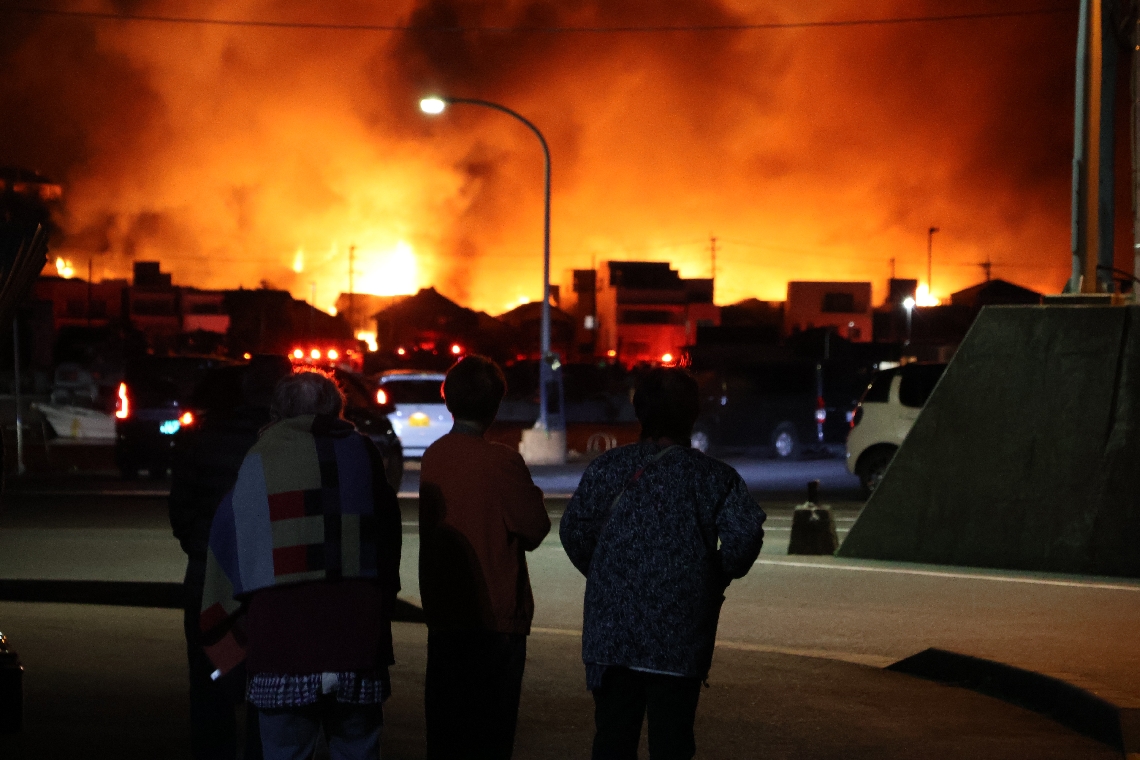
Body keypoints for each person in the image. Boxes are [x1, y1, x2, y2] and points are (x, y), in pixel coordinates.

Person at [559, 368, 767, 760]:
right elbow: (743, 538)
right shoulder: (713, 476)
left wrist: (609, 572)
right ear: (692, 414)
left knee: (612, 740)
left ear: (640, 413)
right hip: (679, 636)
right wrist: (712, 575)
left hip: (611, 636)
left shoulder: (605, 468)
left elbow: (574, 532)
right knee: (672, 742)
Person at [198, 370, 402, 760]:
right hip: (357, 647)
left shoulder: (261, 457)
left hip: (282, 649)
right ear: (337, 408)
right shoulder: (363, 453)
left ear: (277, 413)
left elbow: (228, 541)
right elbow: (388, 540)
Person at [418, 355, 551, 760]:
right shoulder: (501, 461)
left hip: (445, 615)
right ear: (496, 404)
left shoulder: (434, 457)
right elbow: (534, 527)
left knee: (447, 734)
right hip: (494, 621)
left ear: (448, 400)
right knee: (490, 735)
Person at [170, 355, 292, 760]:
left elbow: (181, 508)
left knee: (209, 682)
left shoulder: (204, 437)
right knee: (267, 685)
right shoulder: (286, 448)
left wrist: (202, 549)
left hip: (208, 579)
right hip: (270, 584)